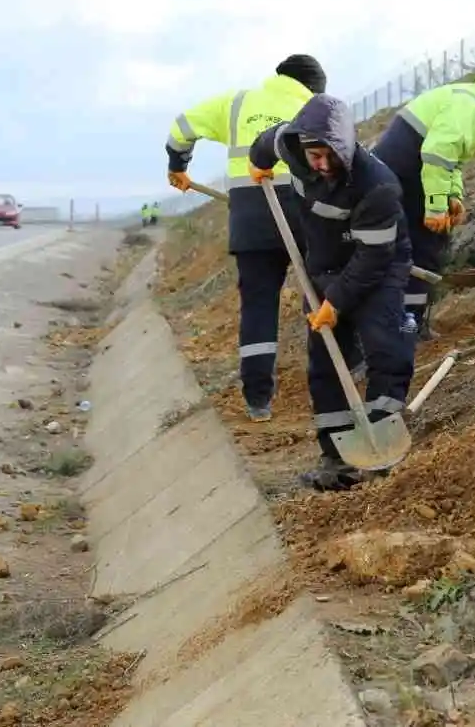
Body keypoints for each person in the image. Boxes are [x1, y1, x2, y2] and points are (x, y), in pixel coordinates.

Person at [248, 93, 415, 491]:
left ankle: (381, 440)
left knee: (384, 345)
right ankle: (336, 457)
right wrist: (259, 163)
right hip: (322, 266)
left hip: (379, 265)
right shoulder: (293, 146)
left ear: (344, 148)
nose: (320, 165)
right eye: (313, 155)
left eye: (328, 156)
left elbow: (371, 260)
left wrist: (335, 303)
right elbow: (265, 142)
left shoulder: (378, 186)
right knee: (324, 361)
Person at [164, 54, 328, 422]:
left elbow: (180, 129)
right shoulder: (315, 106)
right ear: (313, 85)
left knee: (258, 305)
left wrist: (178, 166)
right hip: (304, 211)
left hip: (252, 214)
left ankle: (258, 400)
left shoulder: (237, 104)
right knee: (320, 294)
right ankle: (332, 383)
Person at [369, 64, 475, 339]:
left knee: (411, 244)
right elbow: (436, 154)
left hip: (400, 168)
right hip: (404, 169)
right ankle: (409, 327)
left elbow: (453, 160)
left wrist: (453, 196)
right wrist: (435, 208)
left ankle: (402, 323)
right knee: (426, 243)